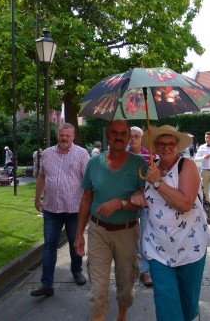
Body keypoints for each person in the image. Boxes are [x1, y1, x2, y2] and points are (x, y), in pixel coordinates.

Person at [131, 125, 210, 321]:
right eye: (161, 144)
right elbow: (142, 192)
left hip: (190, 247)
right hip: (158, 249)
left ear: (177, 146)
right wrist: (138, 193)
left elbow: (185, 203)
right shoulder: (149, 169)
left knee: (187, 304)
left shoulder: (187, 166)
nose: (166, 147)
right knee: (166, 303)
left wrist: (158, 183)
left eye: (170, 144)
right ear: (155, 147)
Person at [74, 120, 148, 321]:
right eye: (114, 133)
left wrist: (121, 203)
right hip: (98, 231)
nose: (119, 136)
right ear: (107, 136)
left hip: (127, 231)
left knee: (125, 284)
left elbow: (144, 200)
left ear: (128, 136)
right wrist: (79, 233)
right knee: (98, 289)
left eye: (123, 133)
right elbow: (86, 198)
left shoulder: (139, 164)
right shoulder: (93, 163)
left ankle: (122, 316)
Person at [31, 123, 90, 297]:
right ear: (57, 135)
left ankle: (77, 270)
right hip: (51, 208)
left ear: (73, 137)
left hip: (74, 208)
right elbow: (42, 176)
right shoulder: (47, 154)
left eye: (67, 136)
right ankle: (46, 284)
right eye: (61, 135)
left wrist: (89, 205)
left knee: (75, 241)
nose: (64, 138)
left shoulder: (81, 154)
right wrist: (37, 199)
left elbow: (87, 182)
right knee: (49, 245)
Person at [127, 126, 157, 288]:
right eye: (130, 136)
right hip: (126, 205)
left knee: (145, 237)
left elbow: (157, 177)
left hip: (146, 203)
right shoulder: (120, 156)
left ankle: (145, 271)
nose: (133, 139)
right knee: (127, 238)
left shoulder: (150, 155)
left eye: (136, 136)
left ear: (142, 138)